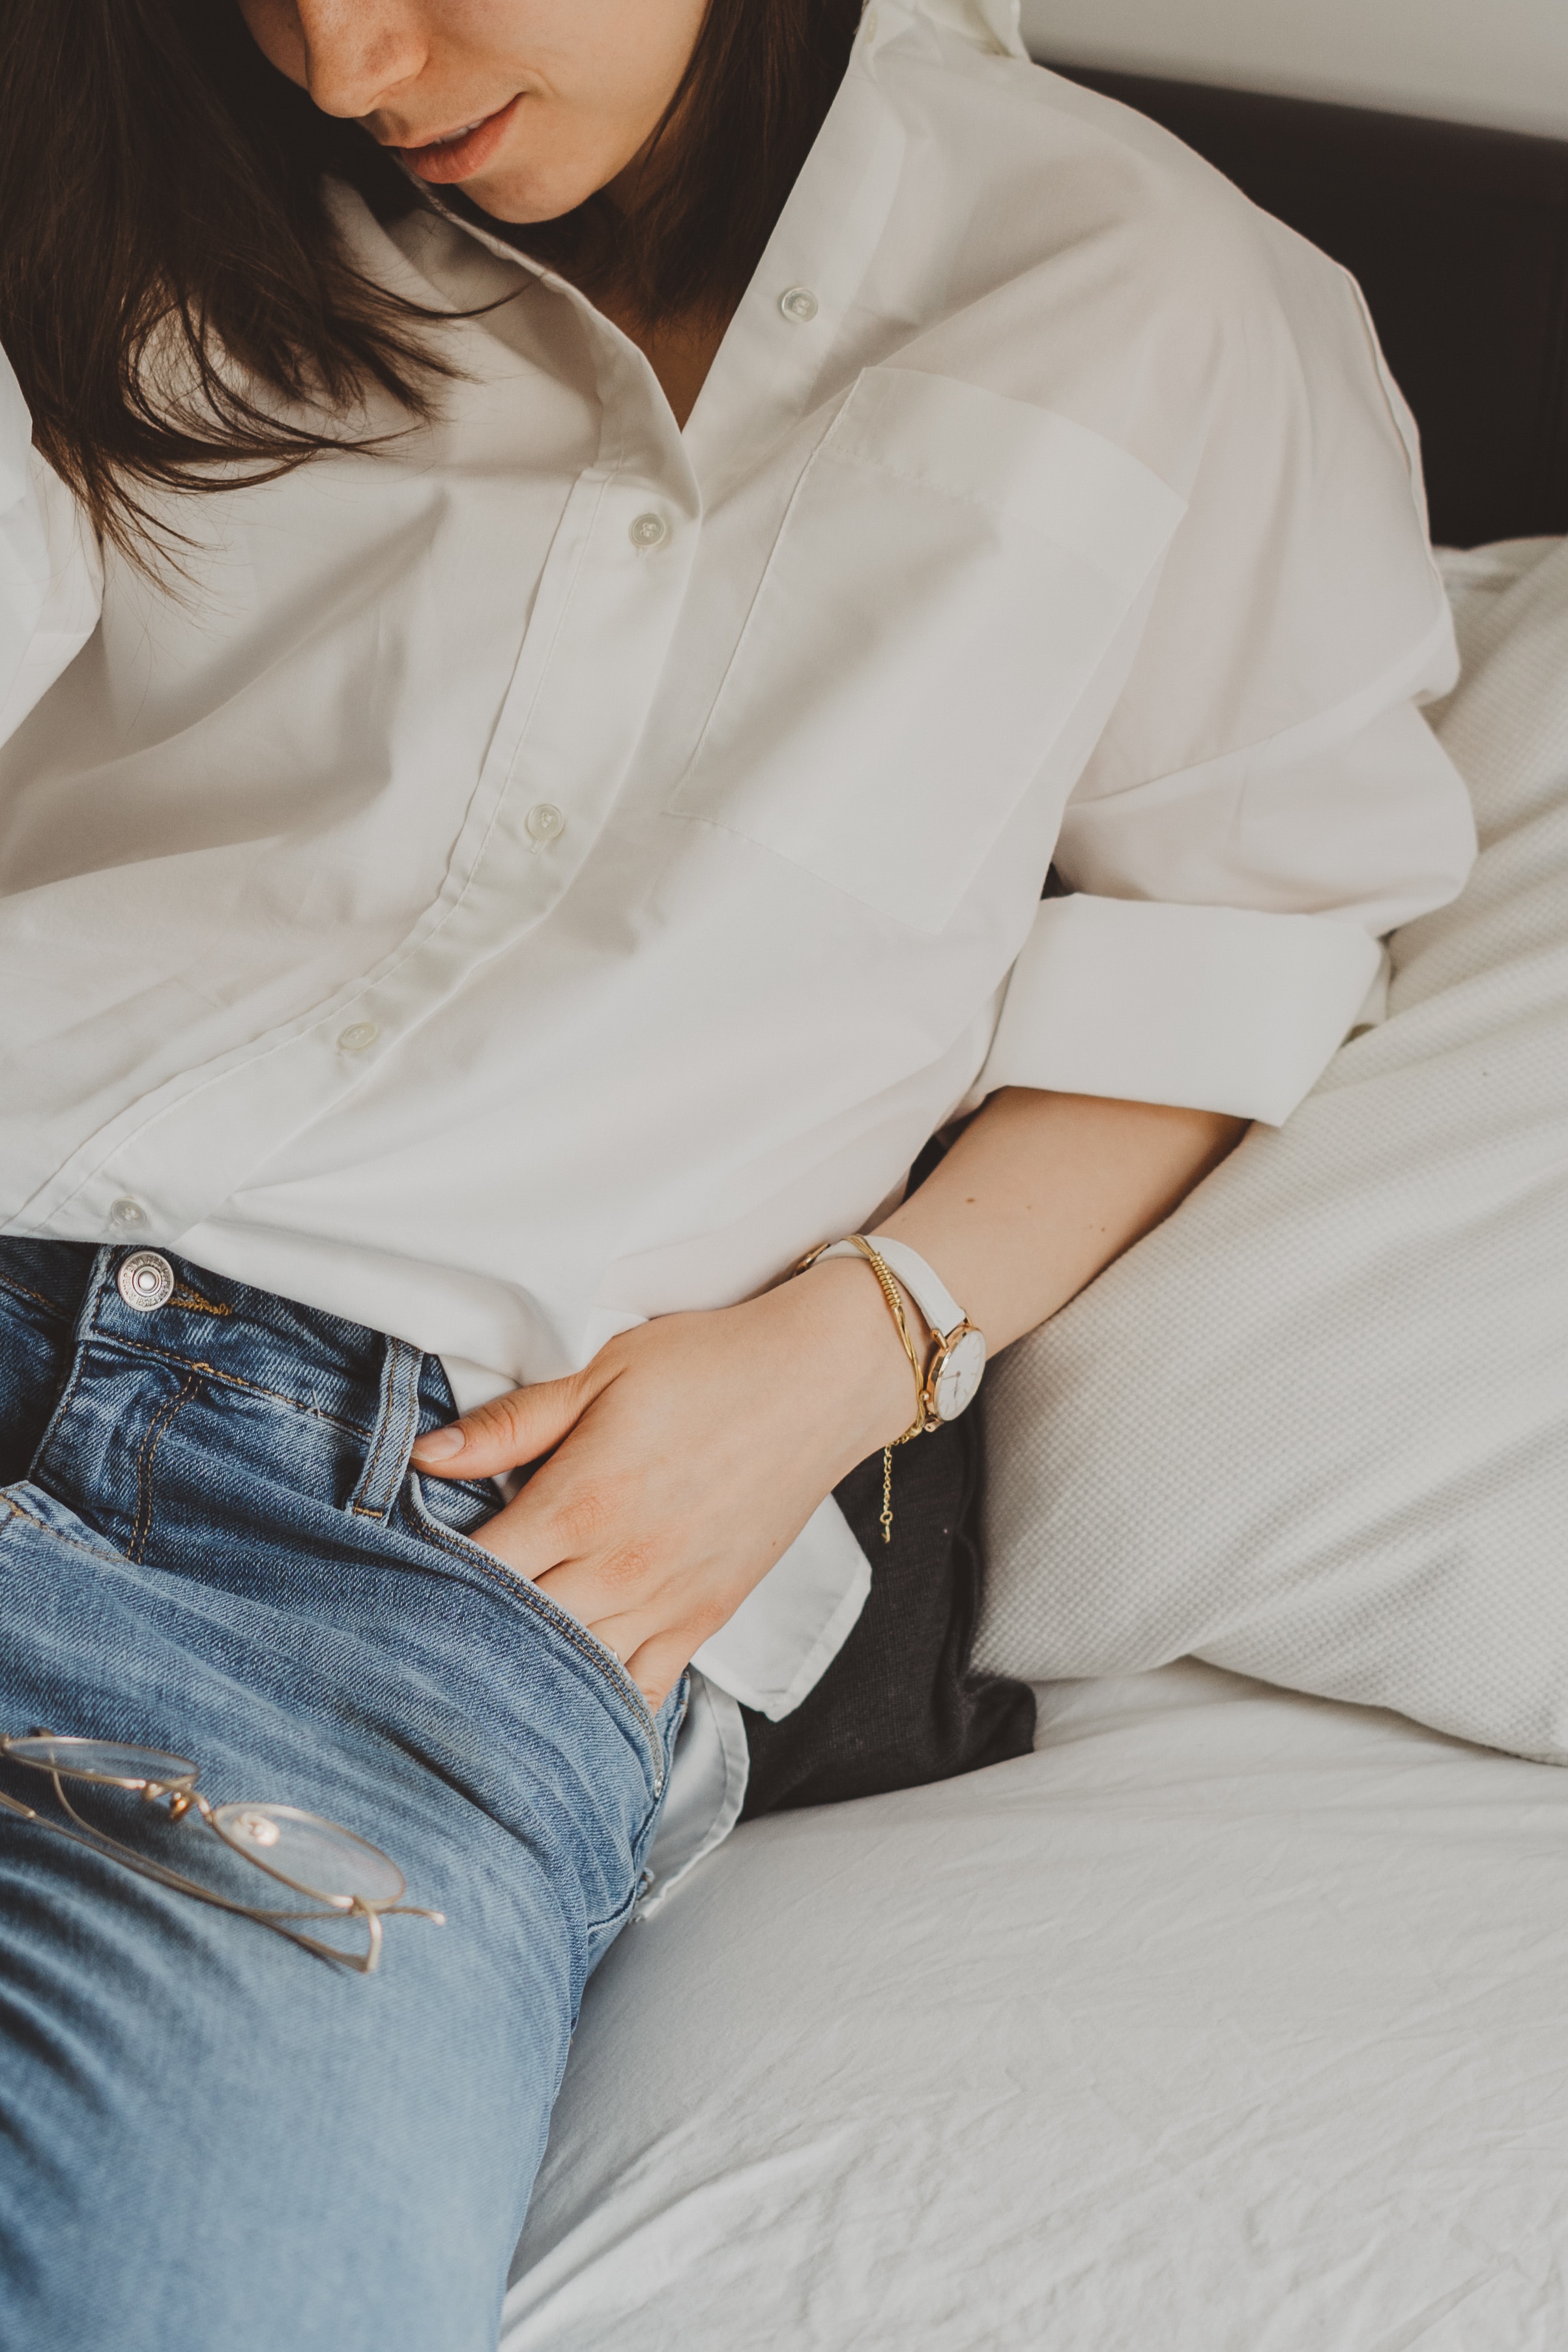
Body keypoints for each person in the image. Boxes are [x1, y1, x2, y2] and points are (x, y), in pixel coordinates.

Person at [0, 0, 1475, 2341]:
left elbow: (1256, 930)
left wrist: (850, 1351)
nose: (343, 67)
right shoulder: (135, 184)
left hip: (393, 1561)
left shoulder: (1155, 298)